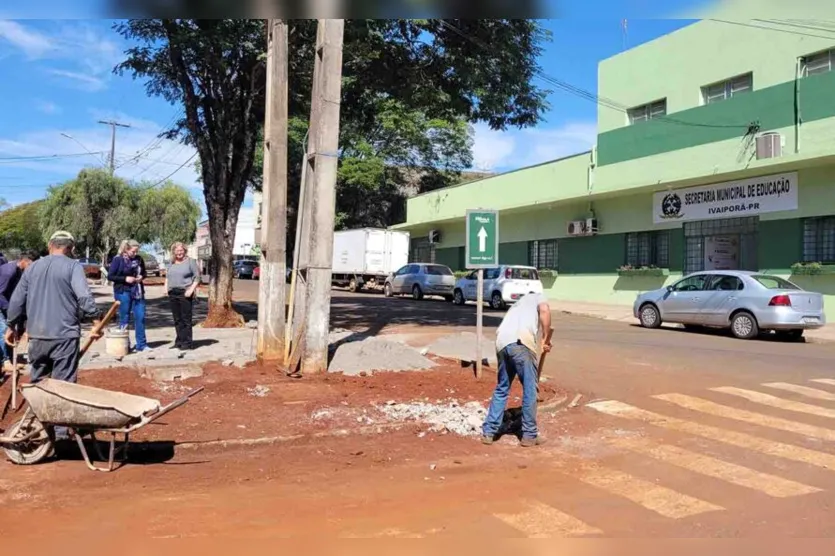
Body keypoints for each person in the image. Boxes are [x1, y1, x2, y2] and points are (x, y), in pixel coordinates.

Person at [4, 232, 101, 389]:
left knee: (38, 383)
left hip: (37, 337)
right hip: (64, 336)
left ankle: (39, 411)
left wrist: (11, 325)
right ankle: (58, 413)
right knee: (63, 386)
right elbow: (84, 296)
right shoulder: (73, 266)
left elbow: (16, 301)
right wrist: (96, 321)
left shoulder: (32, 267)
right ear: (71, 248)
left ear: (50, 245)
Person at [481, 291, 552, 448]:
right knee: (530, 390)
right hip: (521, 342)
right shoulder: (538, 297)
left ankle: (489, 432)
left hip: (501, 342)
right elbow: (545, 310)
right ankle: (529, 435)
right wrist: (546, 339)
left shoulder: (516, 305)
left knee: (502, 388)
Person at [0, 250, 40, 371]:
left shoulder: (20, 272)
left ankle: (12, 359)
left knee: (12, 331)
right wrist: (10, 309)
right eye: (31, 265)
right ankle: (5, 362)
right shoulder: (9, 271)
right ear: (24, 261)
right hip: (2, 304)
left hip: (5, 304)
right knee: (4, 330)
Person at [108, 239, 150, 353]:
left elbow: (144, 272)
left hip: (138, 291)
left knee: (140, 317)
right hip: (123, 291)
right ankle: (125, 344)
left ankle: (141, 344)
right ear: (126, 249)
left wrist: (142, 277)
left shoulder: (139, 259)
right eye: (133, 251)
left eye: (137, 251)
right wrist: (125, 279)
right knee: (124, 318)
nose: (135, 254)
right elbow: (110, 276)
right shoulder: (118, 260)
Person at [166, 241, 200, 350]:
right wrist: (166, 287)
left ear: (184, 251)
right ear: (174, 252)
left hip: (185, 293)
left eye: (181, 250)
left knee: (186, 319)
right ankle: (179, 341)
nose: (179, 253)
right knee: (177, 319)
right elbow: (168, 276)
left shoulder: (190, 262)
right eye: (177, 251)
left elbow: (197, 277)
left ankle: (187, 343)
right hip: (173, 293)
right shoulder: (171, 262)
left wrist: (191, 290)